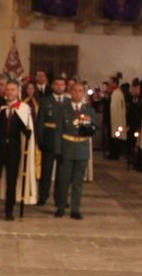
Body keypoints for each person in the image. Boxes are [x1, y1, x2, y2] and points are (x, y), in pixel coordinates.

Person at [0, 79, 33, 220]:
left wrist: (27, 131)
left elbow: (27, 128)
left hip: (13, 149)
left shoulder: (24, 108)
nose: (10, 92)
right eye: (8, 89)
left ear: (18, 92)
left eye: (13, 89)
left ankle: (9, 209)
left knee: (12, 180)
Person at [53, 79, 98, 219]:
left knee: (78, 181)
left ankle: (75, 209)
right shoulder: (63, 109)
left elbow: (95, 128)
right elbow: (58, 131)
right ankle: (61, 206)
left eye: (80, 91)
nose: (78, 94)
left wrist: (90, 128)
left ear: (83, 94)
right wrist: (57, 151)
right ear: (70, 92)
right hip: (67, 148)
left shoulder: (88, 110)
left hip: (82, 148)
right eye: (75, 90)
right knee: (63, 180)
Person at [38, 75, 66, 201]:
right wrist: (40, 139)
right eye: (57, 84)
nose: (59, 87)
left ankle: (60, 199)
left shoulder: (68, 102)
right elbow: (40, 122)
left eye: (62, 85)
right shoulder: (45, 101)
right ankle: (43, 197)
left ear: (65, 87)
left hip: (63, 141)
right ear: (53, 86)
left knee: (62, 173)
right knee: (46, 171)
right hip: (49, 139)